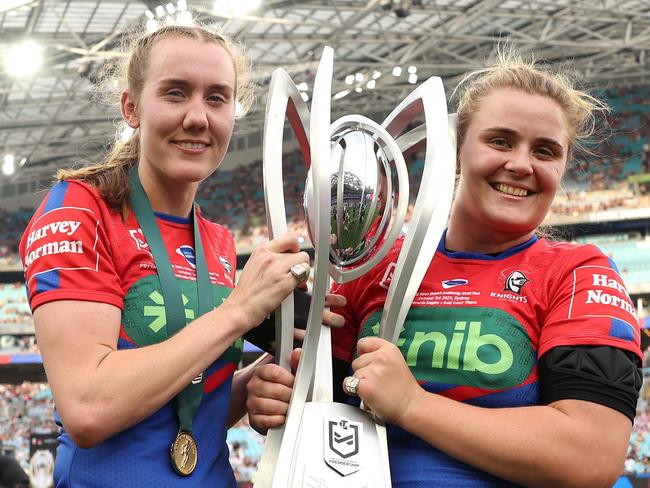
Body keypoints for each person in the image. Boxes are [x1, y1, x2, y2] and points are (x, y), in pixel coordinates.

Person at [246, 48, 643, 487]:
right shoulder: (374, 266)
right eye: (500, 140)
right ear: (456, 152)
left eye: (545, 151)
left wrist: (413, 406)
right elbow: (324, 399)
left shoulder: (578, 273)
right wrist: (279, 399)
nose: (521, 164)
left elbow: (591, 455)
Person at [19, 24, 321, 487]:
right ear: (132, 107)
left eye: (217, 98)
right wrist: (239, 310)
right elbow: (88, 407)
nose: (198, 117)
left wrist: (253, 386)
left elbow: (184, 406)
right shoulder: (80, 209)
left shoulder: (216, 241)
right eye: (176, 93)